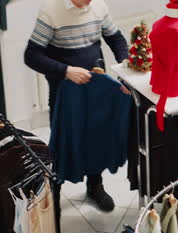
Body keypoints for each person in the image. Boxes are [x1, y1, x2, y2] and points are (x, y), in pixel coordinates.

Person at [24, 0, 129, 212]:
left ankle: (95, 186)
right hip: (63, 88)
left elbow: (116, 39)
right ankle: (55, 190)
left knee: (95, 136)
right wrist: (66, 71)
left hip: (95, 84)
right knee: (64, 138)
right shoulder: (51, 10)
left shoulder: (99, 6)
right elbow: (32, 56)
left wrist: (126, 67)